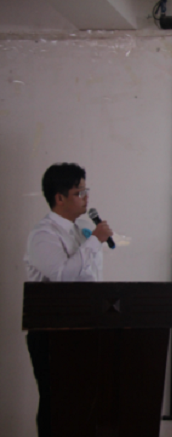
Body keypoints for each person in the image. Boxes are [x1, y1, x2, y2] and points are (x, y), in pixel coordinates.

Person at [24, 163, 114, 437]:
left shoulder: (80, 230)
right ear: (59, 198)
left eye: (86, 190)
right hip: (52, 332)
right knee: (57, 404)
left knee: (82, 405)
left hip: (84, 327)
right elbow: (63, 277)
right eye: (79, 192)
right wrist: (94, 241)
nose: (86, 197)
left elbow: (89, 280)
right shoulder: (44, 234)